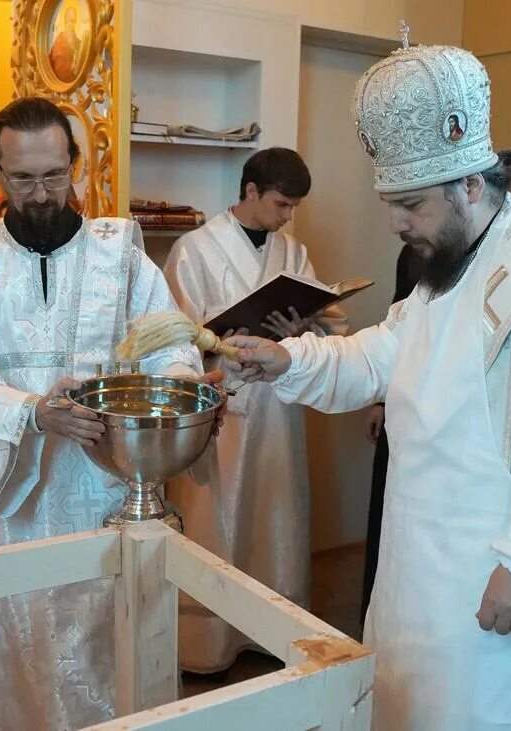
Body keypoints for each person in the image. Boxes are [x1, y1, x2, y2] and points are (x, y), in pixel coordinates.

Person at [225, 44, 511, 730]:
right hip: (416, 574)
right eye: (390, 202)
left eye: (410, 204)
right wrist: (289, 359)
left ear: (471, 186)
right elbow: (382, 354)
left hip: (500, 585)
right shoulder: (445, 256)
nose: (396, 222)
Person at [0, 96, 206, 729]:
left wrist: (181, 392)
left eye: (53, 175)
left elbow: (170, 344)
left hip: (106, 489)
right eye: (22, 179)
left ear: (76, 166)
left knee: (106, 639)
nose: (41, 194)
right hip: (14, 499)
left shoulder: (120, 255)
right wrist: (31, 414)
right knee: (20, 635)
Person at [163, 147, 348, 674]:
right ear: (249, 193)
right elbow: (171, 338)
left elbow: (328, 320)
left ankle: (271, 632)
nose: (288, 217)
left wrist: (301, 328)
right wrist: (218, 341)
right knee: (216, 518)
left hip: (278, 407)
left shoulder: (293, 252)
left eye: (293, 208)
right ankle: (208, 642)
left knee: (275, 511)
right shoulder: (193, 249)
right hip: (222, 399)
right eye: (281, 204)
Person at [361, 242, 422, 620]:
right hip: (400, 403)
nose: (398, 224)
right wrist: (381, 400)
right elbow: (394, 331)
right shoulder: (412, 253)